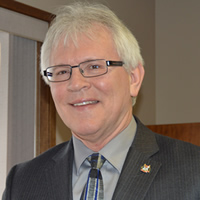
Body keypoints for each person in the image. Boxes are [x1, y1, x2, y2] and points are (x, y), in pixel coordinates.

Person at [2, 2, 200, 200]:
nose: (76, 84)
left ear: (133, 78)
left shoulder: (194, 172)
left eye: (94, 67)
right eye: (62, 71)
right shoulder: (22, 182)